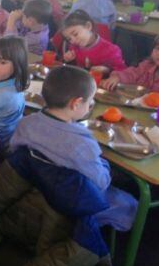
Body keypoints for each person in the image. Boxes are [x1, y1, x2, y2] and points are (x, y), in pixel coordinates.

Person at [11, 65, 137, 231]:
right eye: (90, 100)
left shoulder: (26, 123)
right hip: (68, 204)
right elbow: (101, 182)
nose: (91, 104)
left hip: (31, 188)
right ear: (76, 104)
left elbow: (14, 151)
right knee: (130, 203)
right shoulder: (83, 144)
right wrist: (105, 165)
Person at [62, 10, 126, 73]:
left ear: (88, 26)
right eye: (69, 39)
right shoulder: (74, 48)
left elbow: (122, 72)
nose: (73, 41)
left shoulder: (111, 50)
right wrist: (68, 60)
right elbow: (73, 70)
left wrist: (107, 70)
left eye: (75, 34)